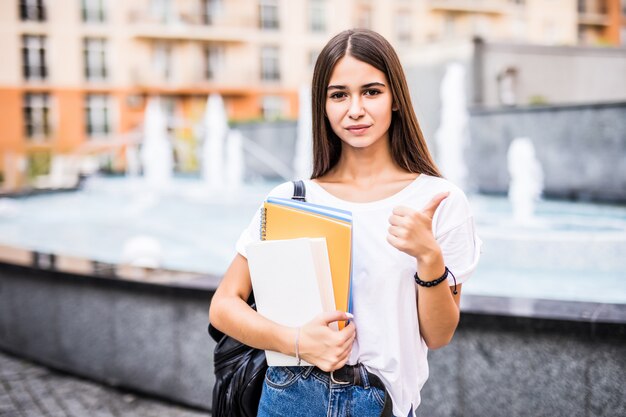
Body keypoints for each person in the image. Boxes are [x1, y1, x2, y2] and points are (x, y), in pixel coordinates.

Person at [209, 28, 481, 417]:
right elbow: (223, 305)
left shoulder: (438, 202)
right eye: (339, 95)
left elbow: (439, 335)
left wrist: (429, 258)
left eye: (371, 91)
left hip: (382, 401)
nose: (355, 109)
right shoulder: (292, 199)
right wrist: (298, 340)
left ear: (396, 100)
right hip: (289, 397)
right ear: (322, 106)